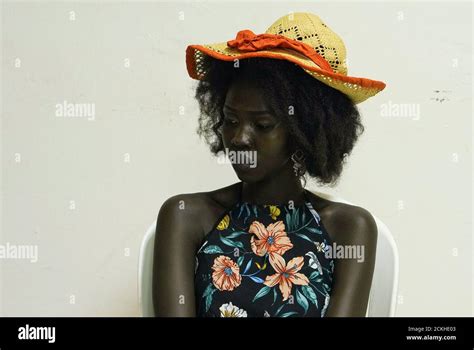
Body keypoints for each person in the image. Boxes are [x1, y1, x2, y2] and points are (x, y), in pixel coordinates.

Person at [153, 12, 386, 317]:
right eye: (231, 120)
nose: (239, 138)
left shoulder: (349, 228)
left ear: (306, 134)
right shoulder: (186, 217)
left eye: (262, 125)